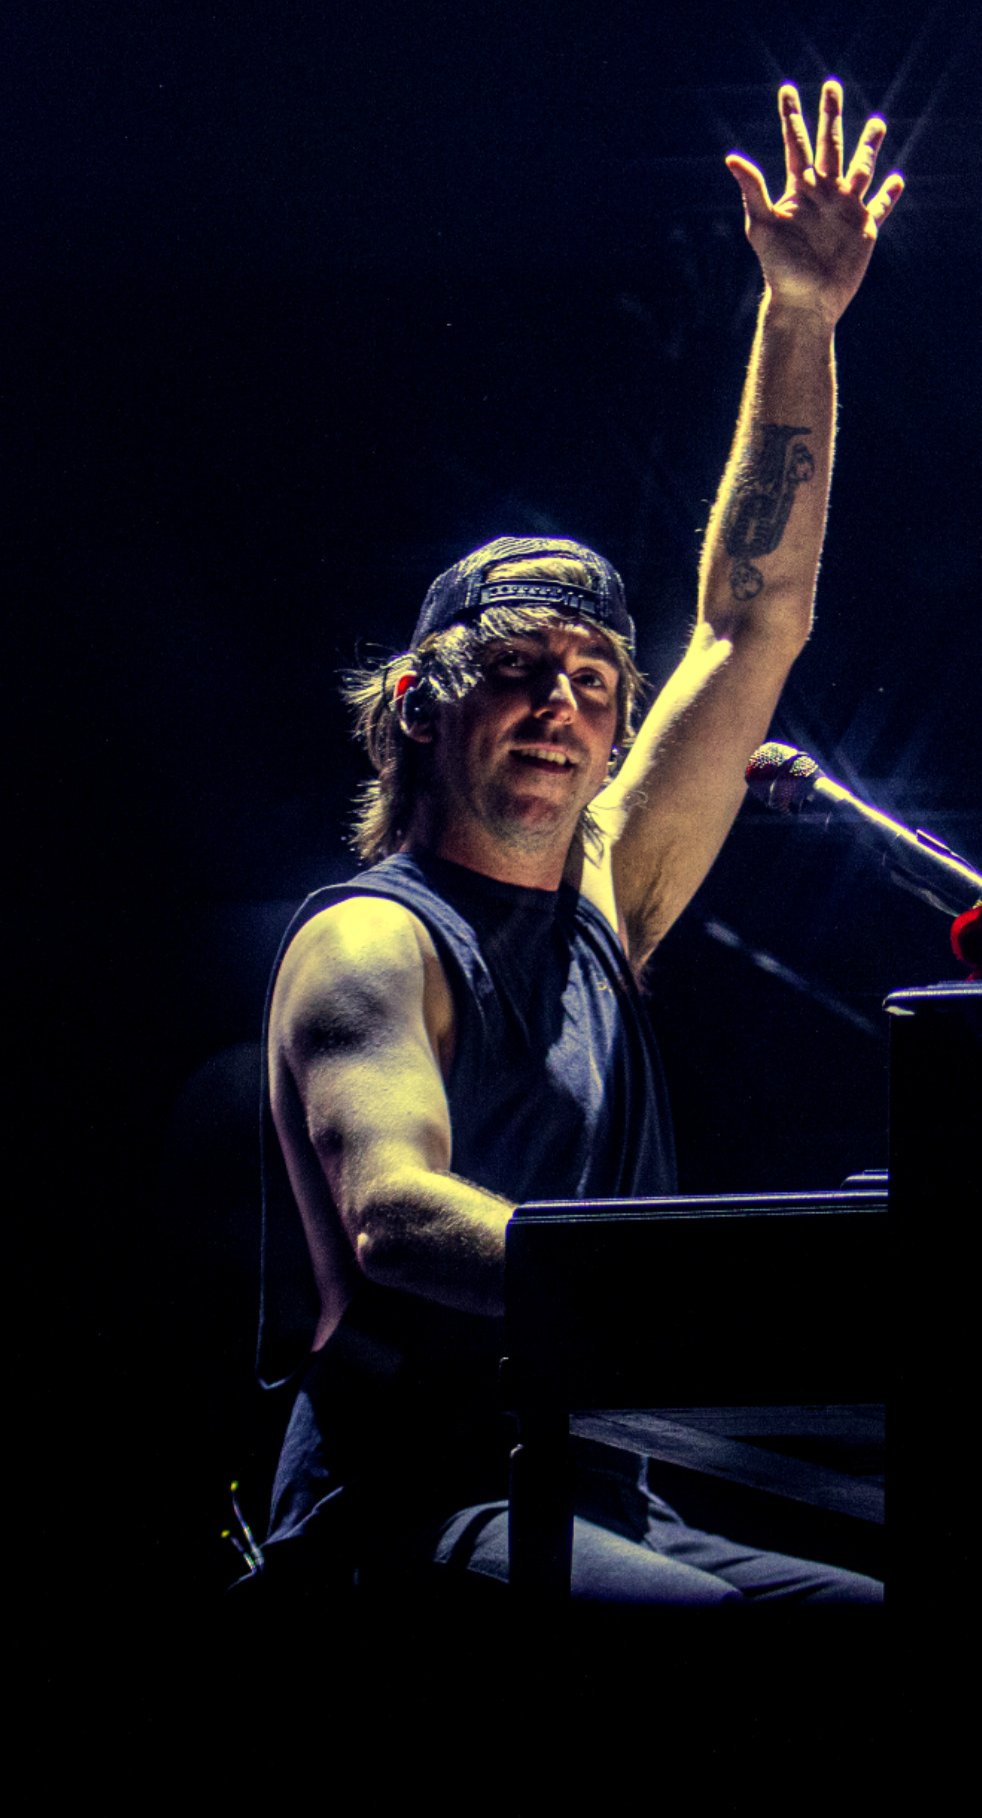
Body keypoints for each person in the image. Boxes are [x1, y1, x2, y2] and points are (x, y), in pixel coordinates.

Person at [259, 80, 900, 1605]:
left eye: (596, 682)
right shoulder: (372, 940)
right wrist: (682, 1293)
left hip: (599, 1484)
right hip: (407, 1506)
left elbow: (752, 621)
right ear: (419, 707)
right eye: (517, 672)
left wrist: (799, 313)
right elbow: (394, 1214)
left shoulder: (609, 885)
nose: (561, 706)